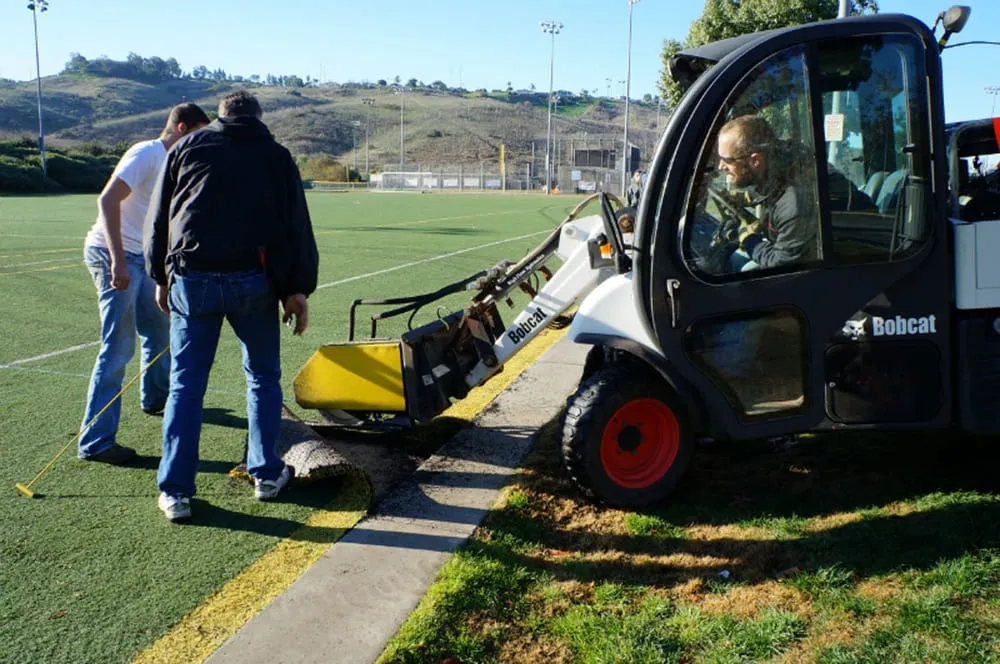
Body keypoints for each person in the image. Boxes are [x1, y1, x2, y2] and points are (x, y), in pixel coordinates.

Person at [144, 90, 318, 521]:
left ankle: (176, 491)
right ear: (258, 117)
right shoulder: (276, 155)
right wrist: (298, 288)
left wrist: (160, 275)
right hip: (252, 280)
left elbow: (160, 216)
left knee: (185, 385)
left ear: (220, 116)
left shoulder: (186, 146)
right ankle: (266, 474)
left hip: (192, 276)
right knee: (261, 378)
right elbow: (296, 224)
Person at [78, 103, 210, 465]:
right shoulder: (147, 153)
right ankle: (96, 441)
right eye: (198, 134)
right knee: (118, 348)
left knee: (159, 332)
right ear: (181, 128)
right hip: (112, 254)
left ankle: (156, 398)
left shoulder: (176, 164)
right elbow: (107, 200)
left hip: (146, 260)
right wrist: (118, 261)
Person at [715, 114, 818, 272]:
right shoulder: (780, 165)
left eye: (727, 160)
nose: (720, 166)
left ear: (755, 160)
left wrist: (748, 238)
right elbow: (769, 188)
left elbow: (781, 266)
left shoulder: (793, 203)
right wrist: (747, 198)